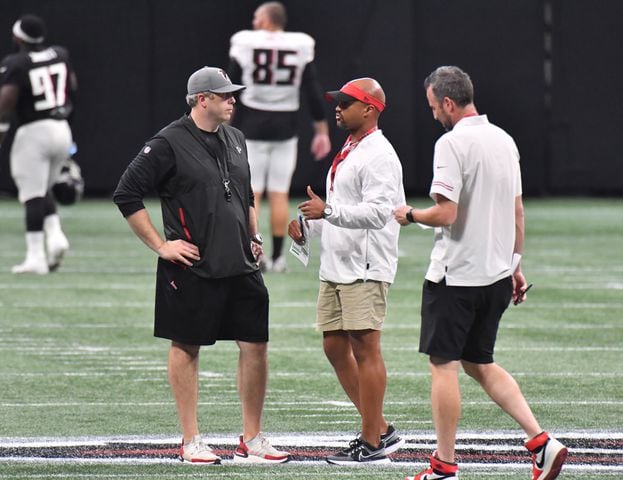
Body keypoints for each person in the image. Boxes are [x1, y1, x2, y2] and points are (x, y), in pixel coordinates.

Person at [394, 66, 568, 480]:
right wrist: (515, 265)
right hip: (495, 274)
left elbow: (446, 213)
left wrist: (410, 214)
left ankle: (444, 465)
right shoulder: (504, 140)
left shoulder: (452, 144)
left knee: (444, 366)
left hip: (458, 275)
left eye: (435, 107)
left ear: (449, 103)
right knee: (480, 362)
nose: (434, 114)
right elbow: (517, 212)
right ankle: (541, 443)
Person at [113, 66, 289, 465]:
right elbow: (127, 194)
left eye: (233, 94)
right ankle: (191, 438)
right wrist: (160, 245)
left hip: (241, 263)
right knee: (187, 345)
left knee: (256, 346)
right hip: (193, 266)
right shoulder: (167, 143)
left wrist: (254, 235)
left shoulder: (237, 139)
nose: (233, 100)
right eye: (225, 95)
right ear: (201, 99)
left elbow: (246, 193)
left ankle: (252, 438)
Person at [288, 77, 405, 465]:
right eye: (337, 102)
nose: (337, 108)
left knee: (366, 348)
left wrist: (329, 211)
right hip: (337, 264)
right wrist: (309, 226)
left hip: (366, 265)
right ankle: (382, 429)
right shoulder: (351, 148)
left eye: (346, 103)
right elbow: (339, 208)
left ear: (369, 108)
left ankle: (371, 441)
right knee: (334, 345)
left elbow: (378, 212)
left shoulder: (380, 155)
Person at [229, 1, 331, 273]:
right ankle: (276, 258)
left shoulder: (244, 42)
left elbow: (232, 88)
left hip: (250, 124)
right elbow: (311, 89)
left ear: (267, 19)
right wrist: (321, 130)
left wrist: (224, 126)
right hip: (286, 126)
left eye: (257, 17)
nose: (254, 22)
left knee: (251, 195)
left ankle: (254, 254)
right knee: (279, 194)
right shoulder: (299, 44)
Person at [0, 14, 76, 274]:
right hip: (61, 128)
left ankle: (35, 257)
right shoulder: (60, 54)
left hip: (33, 132)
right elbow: (72, 86)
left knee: (32, 194)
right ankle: (55, 236)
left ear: (19, 37)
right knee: (43, 187)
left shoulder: (16, 63)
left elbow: (6, 103)